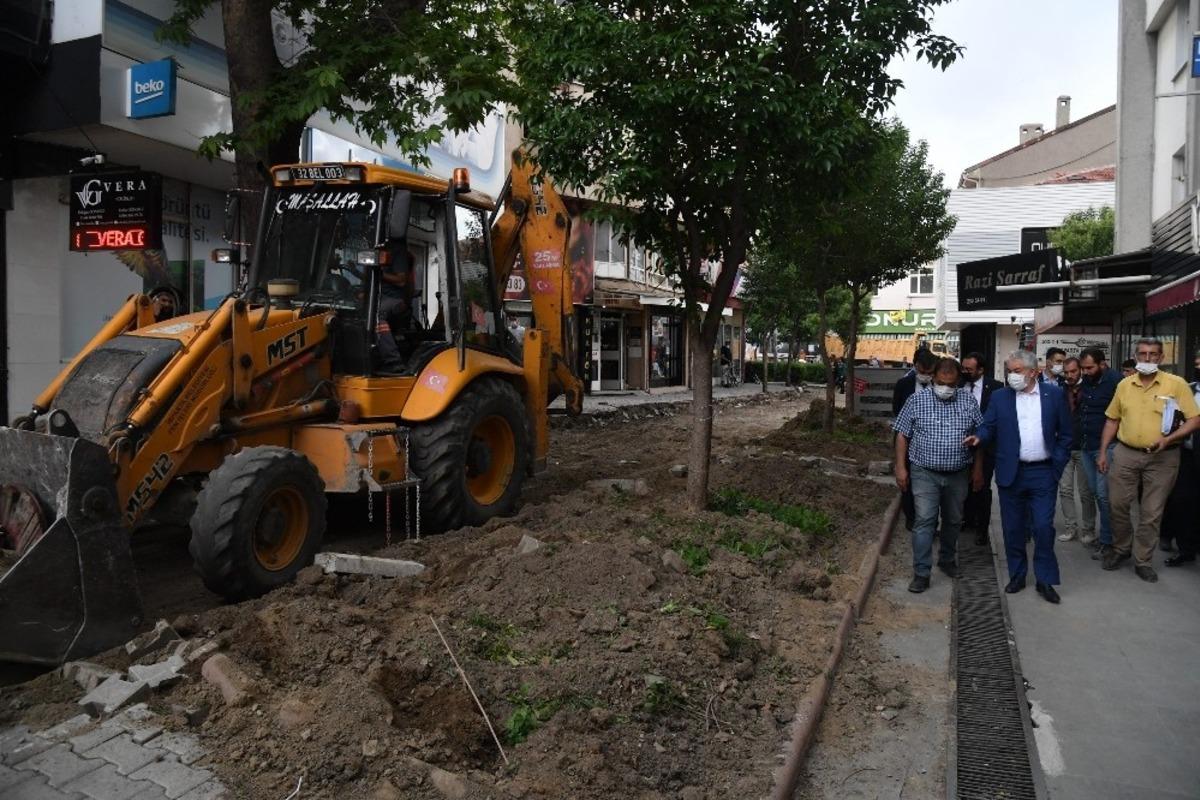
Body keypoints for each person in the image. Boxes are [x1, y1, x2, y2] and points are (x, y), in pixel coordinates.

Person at [965, 350, 1073, 604]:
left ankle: (1045, 579)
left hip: (1043, 472)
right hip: (1011, 472)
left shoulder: (1054, 395)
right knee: (1012, 528)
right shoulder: (1000, 397)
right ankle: (1017, 575)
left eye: (1017, 371)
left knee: (1043, 527)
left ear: (1033, 372)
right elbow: (989, 425)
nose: (1012, 376)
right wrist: (979, 436)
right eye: (1009, 371)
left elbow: (1067, 434)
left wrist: (1057, 464)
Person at [1098, 338, 1200, 581]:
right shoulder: (1124, 385)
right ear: (1136, 356)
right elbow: (1112, 419)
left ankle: (1143, 560)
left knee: (1151, 512)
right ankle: (1122, 548)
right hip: (1125, 453)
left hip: (1163, 457)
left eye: (1153, 354)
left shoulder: (1176, 384)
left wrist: (1169, 439)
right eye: (1143, 354)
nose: (1147, 358)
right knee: (1117, 504)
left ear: (1161, 358)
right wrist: (1103, 451)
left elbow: (1195, 419)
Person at [894, 357, 983, 594]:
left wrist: (978, 469)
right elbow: (902, 434)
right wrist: (900, 467)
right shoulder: (916, 400)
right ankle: (921, 572)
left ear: (958, 382)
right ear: (933, 379)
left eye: (951, 384)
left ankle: (946, 560)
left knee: (954, 520)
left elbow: (979, 435)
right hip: (924, 472)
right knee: (925, 521)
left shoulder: (968, 400)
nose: (946, 388)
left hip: (958, 473)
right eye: (942, 382)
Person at [893, 347, 942, 531]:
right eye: (922, 372)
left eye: (930, 373)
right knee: (906, 480)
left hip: (933, 442)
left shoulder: (941, 386)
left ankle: (931, 520)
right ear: (915, 367)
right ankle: (911, 517)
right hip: (907, 439)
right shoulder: (903, 384)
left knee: (932, 483)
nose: (926, 376)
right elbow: (897, 411)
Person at [1076, 347, 1119, 556]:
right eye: (1083, 368)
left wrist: (1104, 450)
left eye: (1090, 368)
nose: (1085, 372)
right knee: (1095, 493)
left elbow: (1118, 417)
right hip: (1086, 445)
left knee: (1104, 496)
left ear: (1103, 364)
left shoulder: (1116, 382)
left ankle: (1109, 541)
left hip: (1107, 447)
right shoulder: (1086, 380)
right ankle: (1107, 538)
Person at [960, 352, 1002, 546]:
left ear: (981, 370)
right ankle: (966, 520)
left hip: (986, 447)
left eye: (969, 369)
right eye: (964, 368)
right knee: (963, 486)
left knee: (981, 486)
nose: (965, 372)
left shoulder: (995, 388)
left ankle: (981, 529)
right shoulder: (958, 385)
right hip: (960, 445)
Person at [1163, 350, 1200, 567]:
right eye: (1196, 362)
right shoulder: (1189, 389)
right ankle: (1186, 549)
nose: (1197, 366)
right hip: (1187, 454)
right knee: (1182, 501)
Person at [1056, 357, 1097, 544]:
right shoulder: (1059, 391)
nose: (1070, 375)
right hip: (1064, 447)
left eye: (1073, 371)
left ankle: (1088, 529)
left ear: (1080, 370)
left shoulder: (1089, 389)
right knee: (1065, 490)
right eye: (1066, 372)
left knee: (1086, 491)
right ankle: (1071, 527)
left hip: (1084, 447)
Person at [375, 248, 416, 372]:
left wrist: (381, 274)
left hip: (395, 299)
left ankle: (393, 360)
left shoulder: (398, 253)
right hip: (378, 297)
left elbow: (401, 281)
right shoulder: (374, 251)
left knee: (376, 316)